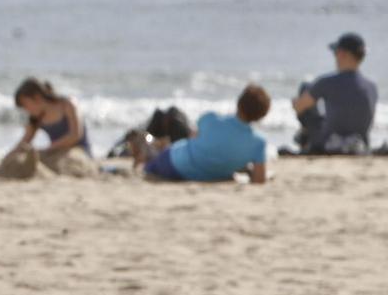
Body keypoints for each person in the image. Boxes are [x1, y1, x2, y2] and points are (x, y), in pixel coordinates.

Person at [134, 84, 271, 184]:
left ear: (239, 104)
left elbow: (192, 139)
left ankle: (144, 150)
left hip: (175, 164)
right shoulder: (258, 144)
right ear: (261, 116)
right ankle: (152, 146)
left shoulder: (210, 119)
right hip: (206, 175)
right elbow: (259, 180)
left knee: (151, 160)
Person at [290, 32, 378, 155]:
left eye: (335, 53)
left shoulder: (326, 82)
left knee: (305, 87)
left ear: (342, 54)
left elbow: (300, 106)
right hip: (360, 142)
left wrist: (296, 104)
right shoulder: (372, 86)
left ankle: (305, 140)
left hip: (327, 143)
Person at [2, 78, 97, 177]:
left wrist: (48, 149)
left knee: (65, 161)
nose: (27, 110)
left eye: (26, 105)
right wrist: (9, 157)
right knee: (35, 160)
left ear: (37, 97)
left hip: (78, 150)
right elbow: (24, 143)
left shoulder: (67, 105)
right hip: (55, 152)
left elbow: (75, 135)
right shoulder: (36, 119)